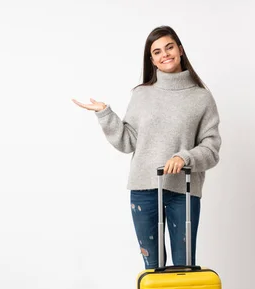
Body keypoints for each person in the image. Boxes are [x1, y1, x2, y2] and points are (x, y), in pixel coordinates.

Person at [72, 25, 221, 270]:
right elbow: (128, 141)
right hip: (143, 190)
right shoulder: (142, 95)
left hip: (183, 191)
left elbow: (212, 148)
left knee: (184, 265)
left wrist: (185, 157)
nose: (165, 54)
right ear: (151, 60)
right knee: (153, 266)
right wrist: (105, 114)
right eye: (157, 51)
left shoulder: (201, 98)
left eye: (169, 47)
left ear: (180, 50)